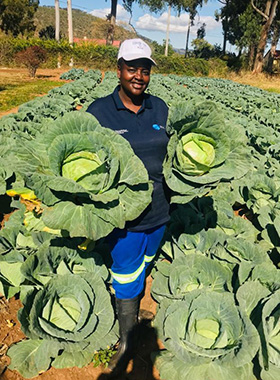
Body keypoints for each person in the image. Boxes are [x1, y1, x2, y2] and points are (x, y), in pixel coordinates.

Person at [86, 38, 170, 373]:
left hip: (160, 211)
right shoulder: (99, 112)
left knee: (145, 263)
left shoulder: (159, 107)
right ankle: (125, 339)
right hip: (123, 216)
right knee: (125, 273)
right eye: (131, 67)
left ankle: (133, 315)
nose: (139, 75)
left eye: (145, 69)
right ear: (118, 69)